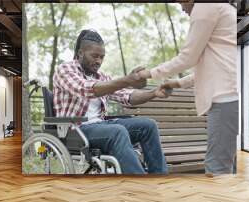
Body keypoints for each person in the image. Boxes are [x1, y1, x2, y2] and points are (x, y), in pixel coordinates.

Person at [137, 2, 238, 174]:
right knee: (225, 165)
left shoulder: (206, 6)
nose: (182, 8)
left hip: (223, 99)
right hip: (227, 97)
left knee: (217, 168)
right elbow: (214, 68)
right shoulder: (222, 8)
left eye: (181, 2)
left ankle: (216, 201)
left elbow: (188, 58)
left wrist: (148, 74)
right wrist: (177, 83)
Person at [53, 29, 170, 174]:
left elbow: (127, 96)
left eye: (102, 57)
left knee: (148, 125)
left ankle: (160, 178)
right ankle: (141, 186)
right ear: (80, 53)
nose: (99, 61)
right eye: (95, 56)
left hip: (100, 126)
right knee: (117, 131)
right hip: (75, 130)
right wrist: (127, 80)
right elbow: (87, 89)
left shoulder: (101, 76)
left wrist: (154, 93)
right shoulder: (65, 69)